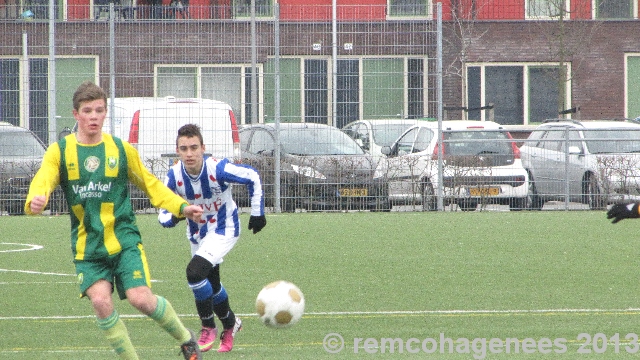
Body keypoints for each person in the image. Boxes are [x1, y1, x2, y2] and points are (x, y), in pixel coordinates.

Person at [24, 81, 204, 360]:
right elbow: (42, 182)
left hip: (124, 240)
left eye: (99, 110)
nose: (94, 116)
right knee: (100, 301)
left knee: (140, 298)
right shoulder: (60, 151)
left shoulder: (120, 150)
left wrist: (182, 206)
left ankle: (185, 339)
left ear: (105, 113)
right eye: (87, 111)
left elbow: (150, 183)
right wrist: (36, 200)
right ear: (76, 115)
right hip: (88, 247)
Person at [158, 123, 266, 353]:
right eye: (184, 148)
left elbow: (252, 177)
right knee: (212, 284)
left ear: (203, 148)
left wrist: (257, 213)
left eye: (194, 147)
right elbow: (163, 211)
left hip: (224, 228)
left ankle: (208, 326)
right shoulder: (174, 176)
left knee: (194, 273)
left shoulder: (217, 169)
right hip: (198, 234)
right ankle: (231, 324)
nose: (189, 153)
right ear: (177, 151)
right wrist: (179, 214)